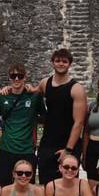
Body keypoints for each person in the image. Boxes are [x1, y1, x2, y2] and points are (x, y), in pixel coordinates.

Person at [36, 49, 87, 185]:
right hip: (48, 142)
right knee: (46, 185)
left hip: (68, 143)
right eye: (58, 61)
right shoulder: (44, 83)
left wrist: (68, 150)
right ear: (52, 62)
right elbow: (29, 94)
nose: (61, 64)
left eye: (64, 61)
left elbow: (79, 122)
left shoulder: (76, 89)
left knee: (68, 186)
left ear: (69, 64)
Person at [0, 63, 45, 187]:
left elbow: (44, 116)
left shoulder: (34, 97)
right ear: (9, 77)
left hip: (27, 148)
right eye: (13, 76)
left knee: (27, 185)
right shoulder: (2, 97)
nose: (16, 79)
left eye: (20, 76)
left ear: (25, 77)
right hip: (7, 147)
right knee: (4, 184)